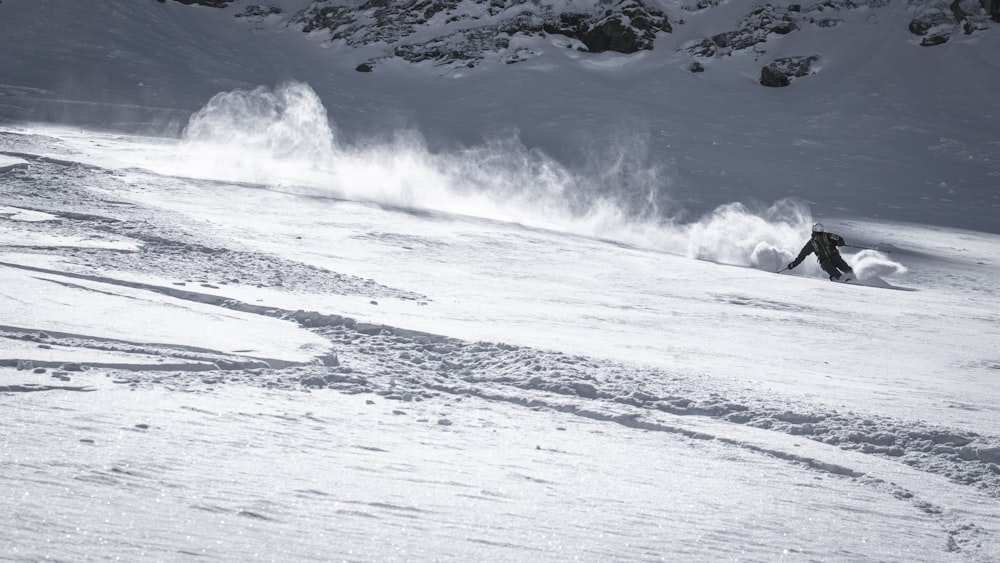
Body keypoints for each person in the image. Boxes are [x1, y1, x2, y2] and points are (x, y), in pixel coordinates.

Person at [787, 223, 854, 281]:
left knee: (847, 269)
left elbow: (840, 239)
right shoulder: (811, 244)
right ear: (813, 233)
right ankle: (838, 277)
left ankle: (852, 277)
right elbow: (802, 255)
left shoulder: (828, 236)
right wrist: (793, 264)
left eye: (820, 234)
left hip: (835, 257)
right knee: (827, 265)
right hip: (825, 261)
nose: (818, 236)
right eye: (816, 234)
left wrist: (838, 243)